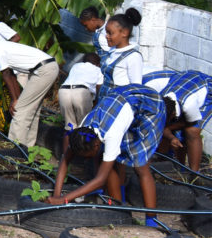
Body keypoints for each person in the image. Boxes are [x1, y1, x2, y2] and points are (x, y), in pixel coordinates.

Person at [49, 83, 166, 225]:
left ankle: (151, 219)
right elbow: (64, 162)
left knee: (140, 166)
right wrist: (56, 195)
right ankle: (120, 209)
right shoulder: (81, 133)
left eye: (87, 157)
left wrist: (64, 199)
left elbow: (100, 179)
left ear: (96, 144)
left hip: (150, 107)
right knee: (109, 160)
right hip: (121, 103)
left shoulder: (111, 134)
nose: (86, 161)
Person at [0, 30, 58, 147]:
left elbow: (6, 74)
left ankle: (14, 151)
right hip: (46, 67)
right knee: (31, 110)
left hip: (43, 70)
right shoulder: (1, 45)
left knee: (19, 112)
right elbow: (11, 75)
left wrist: (15, 100)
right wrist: (16, 98)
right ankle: (27, 148)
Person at [157, 70, 212, 171]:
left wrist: (169, 128)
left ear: (173, 114)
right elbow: (163, 126)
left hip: (206, 88)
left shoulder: (188, 105)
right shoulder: (161, 99)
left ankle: (194, 173)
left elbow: (191, 122)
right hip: (185, 80)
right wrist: (171, 137)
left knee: (191, 131)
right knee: (168, 130)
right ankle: (179, 168)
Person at [98, 9, 143, 99]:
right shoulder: (112, 52)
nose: (107, 36)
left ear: (124, 33)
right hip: (104, 99)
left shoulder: (133, 57)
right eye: (106, 32)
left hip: (117, 102)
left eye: (110, 33)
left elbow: (136, 87)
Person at [58, 53, 104, 130]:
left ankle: (68, 139)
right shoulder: (98, 70)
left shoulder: (76, 66)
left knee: (69, 126)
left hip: (64, 91)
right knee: (84, 126)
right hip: (80, 93)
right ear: (98, 63)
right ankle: (82, 140)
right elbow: (98, 89)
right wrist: (96, 104)